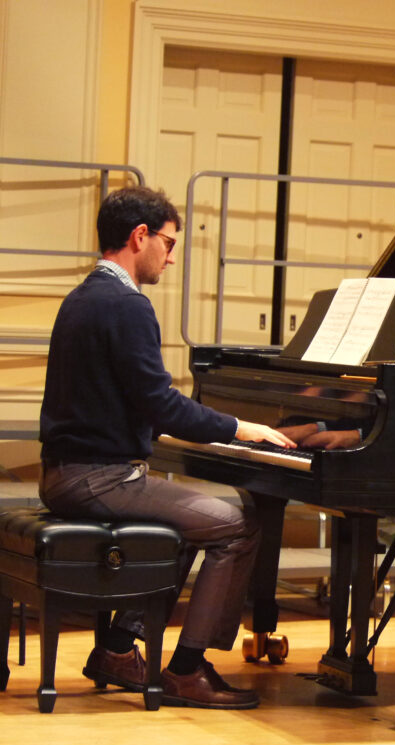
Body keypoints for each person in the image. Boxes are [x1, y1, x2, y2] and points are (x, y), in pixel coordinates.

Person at [38, 185, 297, 710]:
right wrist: (240, 428)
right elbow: (162, 406)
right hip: (97, 478)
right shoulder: (127, 305)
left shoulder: (85, 296)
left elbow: (125, 402)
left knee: (184, 520)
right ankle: (185, 670)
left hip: (70, 472)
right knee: (239, 526)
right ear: (140, 237)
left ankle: (115, 649)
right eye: (169, 242)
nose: (172, 256)